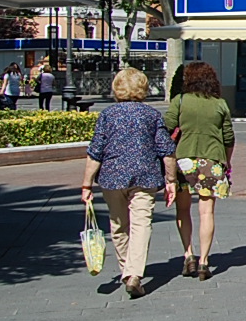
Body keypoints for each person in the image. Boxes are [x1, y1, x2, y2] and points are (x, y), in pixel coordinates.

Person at [80, 67, 177, 298]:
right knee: (141, 223)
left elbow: (96, 151)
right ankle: (134, 273)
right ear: (142, 88)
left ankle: (127, 270)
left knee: (118, 225)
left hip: (112, 177)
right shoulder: (151, 115)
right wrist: (171, 180)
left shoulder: (108, 115)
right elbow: (167, 151)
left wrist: (86, 184)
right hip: (145, 176)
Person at [163, 61, 235, 281]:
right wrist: (227, 162)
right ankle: (204, 261)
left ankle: (188, 254)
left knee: (183, 210)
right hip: (212, 160)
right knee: (206, 212)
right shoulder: (220, 104)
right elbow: (229, 137)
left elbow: (166, 126)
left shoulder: (181, 101)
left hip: (184, 159)